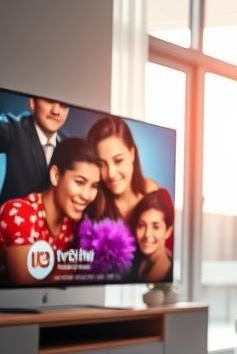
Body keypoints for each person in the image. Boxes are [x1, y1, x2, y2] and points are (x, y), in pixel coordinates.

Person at [0, 139, 100, 285]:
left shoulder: (71, 224)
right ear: (56, 176)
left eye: (94, 186)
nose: (87, 195)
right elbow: (25, 286)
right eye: (79, 182)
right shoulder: (20, 212)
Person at [86, 116, 160, 222]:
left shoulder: (153, 192)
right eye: (102, 164)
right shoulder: (95, 207)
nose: (111, 173)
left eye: (118, 161)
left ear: (132, 154)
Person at [0, 97, 70, 204]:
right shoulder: (12, 129)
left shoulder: (68, 145)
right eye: (49, 100)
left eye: (64, 104)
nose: (56, 111)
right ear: (32, 103)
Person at [128, 190, 174, 283]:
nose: (147, 234)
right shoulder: (132, 260)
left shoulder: (172, 273)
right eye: (141, 225)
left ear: (168, 231)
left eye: (156, 227)